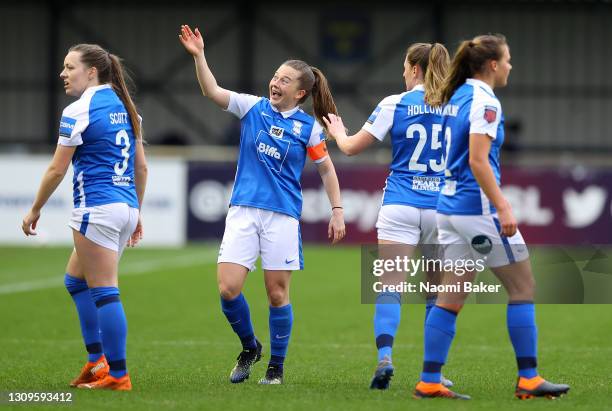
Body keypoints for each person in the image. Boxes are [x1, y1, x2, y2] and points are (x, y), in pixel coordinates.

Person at [179, 24, 346, 385]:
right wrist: (199, 56)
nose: (275, 83)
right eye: (275, 76)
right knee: (227, 288)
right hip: (243, 210)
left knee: (277, 293)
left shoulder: (308, 129)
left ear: (300, 92)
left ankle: (276, 367)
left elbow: (327, 171)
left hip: (282, 216)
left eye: (284, 80)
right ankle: (250, 346)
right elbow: (211, 91)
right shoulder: (252, 107)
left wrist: (337, 210)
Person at [412, 34, 570, 400]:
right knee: (523, 286)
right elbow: (478, 160)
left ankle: (429, 380)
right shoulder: (485, 101)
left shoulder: (458, 95)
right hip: (476, 210)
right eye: (508, 59)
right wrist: (503, 206)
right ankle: (528, 378)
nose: (511, 66)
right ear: (494, 65)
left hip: (447, 210)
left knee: (451, 295)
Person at [325, 43, 454, 390]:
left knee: (390, 287)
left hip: (400, 205)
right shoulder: (456, 105)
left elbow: (350, 147)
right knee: (436, 295)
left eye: (404, 67)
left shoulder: (394, 103)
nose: (402, 73)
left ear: (414, 69)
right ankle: (433, 372)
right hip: (442, 208)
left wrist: (338, 131)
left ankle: (385, 356)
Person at [21, 44, 147, 391]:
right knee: (76, 281)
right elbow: (141, 166)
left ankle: (118, 375)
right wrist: (136, 211)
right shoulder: (127, 108)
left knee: (105, 291)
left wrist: (35, 208)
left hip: (98, 208)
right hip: (123, 206)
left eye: (69, 67)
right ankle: (96, 362)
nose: (63, 73)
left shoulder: (79, 109)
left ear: (92, 72)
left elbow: (56, 168)